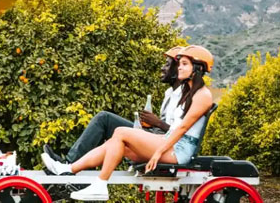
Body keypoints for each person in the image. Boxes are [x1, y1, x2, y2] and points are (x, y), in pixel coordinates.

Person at [41, 45, 214, 201]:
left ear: (197, 69)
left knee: (121, 132)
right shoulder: (187, 92)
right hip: (168, 143)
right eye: (179, 63)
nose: (179, 67)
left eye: (184, 64)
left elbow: (182, 128)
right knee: (117, 144)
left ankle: (100, 185)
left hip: (178, 150)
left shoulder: (202, 95)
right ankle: (68, 169)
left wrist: (157, 153)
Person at [43, 46, 184, 164]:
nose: (162, 68)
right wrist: (149, 123)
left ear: (178, 69)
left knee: (104, 118)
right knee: (105, 120)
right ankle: (75, 164)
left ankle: (69, 164)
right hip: (153, 136)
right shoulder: (169, 93)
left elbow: (181, 133)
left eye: (167, 64)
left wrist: (157, 123)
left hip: (161, 144)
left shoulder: (185, 96)